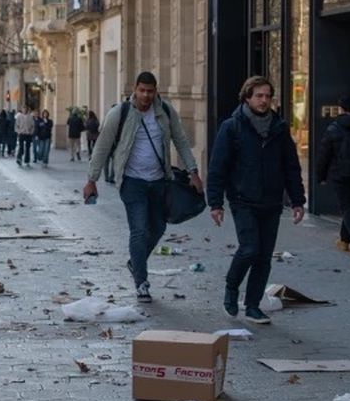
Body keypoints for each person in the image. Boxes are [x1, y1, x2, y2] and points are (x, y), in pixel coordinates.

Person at [83, 71, 202, 303]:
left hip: (159, 181)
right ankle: (142, 282)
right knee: (138, 229)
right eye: (142, 90)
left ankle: (135, 262)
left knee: (157, 228)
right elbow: (102, 147)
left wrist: (194, 172)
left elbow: (181, 141)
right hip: (131, 182)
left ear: (156, 91)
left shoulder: (165, 112)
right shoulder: (120, 113)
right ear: (135, 90)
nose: (146, 95)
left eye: (150, 91)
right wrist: (91, 180)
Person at [206, 76, 306, 325]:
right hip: (243, 199)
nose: (264, 101)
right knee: (250, 248)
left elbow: (291, 166)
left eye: (267, 96)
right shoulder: (232, 127)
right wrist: (215, 203)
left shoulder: (279, 128)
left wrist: (297, 200)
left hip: (271, 201)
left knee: (264, 256)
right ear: (247, 97)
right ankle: (232, 287)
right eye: (259, 96)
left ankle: (252, 306)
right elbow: (218, 167)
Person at [314, 96, 350, 255]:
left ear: (340, 109)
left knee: (346, 207)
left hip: (340, 173)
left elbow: (324, 155)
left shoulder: (333, 129)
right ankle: (343, 240)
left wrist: (321, 176)